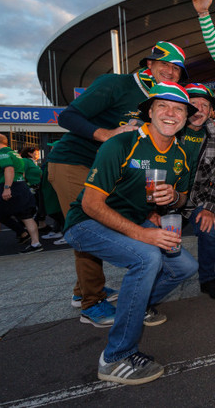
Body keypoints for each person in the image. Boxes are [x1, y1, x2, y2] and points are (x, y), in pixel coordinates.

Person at [63, 81, 199, 385]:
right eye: (162, 105)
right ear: (149, 111)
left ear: (185, 118)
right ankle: (115, 357)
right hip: (85, 223)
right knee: (148, 258)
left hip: (134, 220)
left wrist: (171, 198)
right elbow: (91, 204)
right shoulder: (122, 144)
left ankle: (138, 304)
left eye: (179, 108)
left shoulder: (180, 154)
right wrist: (144, 234)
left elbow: (182, 197)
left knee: (186, 266)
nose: (170, 113)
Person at [48, 40, 187, 327]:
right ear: (150, 64)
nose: (171, 72)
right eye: (166, 65)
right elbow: (67, 116)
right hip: (75, 161)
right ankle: (92, 303)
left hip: (111, 168)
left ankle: (82, 291)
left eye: (177, 69)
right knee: (89, 221)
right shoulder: (117, 84)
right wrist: (105, 134)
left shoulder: (157, 98)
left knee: (105, 222)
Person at [179, 83, 215, 299]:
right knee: (158, 242)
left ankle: (207, 279)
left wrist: (209, 209)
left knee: (210, 232)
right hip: (163, 202)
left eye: (205, 105)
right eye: (193, 104)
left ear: (211, 112)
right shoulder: (169, 129)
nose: (199, 109)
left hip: (195, 200)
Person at [0, 133, 42, 253]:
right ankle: (36, 243)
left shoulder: (1, 154)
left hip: (10, 187)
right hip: (21, 186)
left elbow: (9, 169)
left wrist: (7, 187)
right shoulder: (14, 153)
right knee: (26, 216)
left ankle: (26, 237)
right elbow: (21, 172)